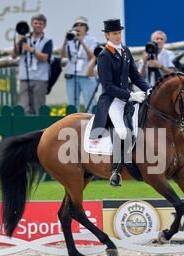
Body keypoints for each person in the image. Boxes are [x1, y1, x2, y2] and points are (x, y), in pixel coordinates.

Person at [89, 18, 150, 187]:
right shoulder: (104, 56)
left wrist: (148, 89)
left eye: (119, 33)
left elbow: (135, 76)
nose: (117, 36)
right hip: (113, 101)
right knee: (123, 133)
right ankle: (116, 171)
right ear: (107, 35)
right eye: (114, 33)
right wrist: (130, 95)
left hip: (128, 97)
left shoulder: (125, 51)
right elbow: (107, 86)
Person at [12, 14, 53, 116]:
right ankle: (26, 130)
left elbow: (45, 58)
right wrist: (18, 41)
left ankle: (39, 130)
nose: (38, 25)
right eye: (35, 23)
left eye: (40, 23)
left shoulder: (47, 40)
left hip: (40, 78)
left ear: (44, 25)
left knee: (38, 107)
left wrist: (31, 50)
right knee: (23, 106)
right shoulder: (24, 38)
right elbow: (14, 55)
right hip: (25, 78)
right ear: (31, 24)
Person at [61, 16, 97, 111]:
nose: (79, 27)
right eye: (76, 25)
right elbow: (63, 55)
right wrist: (65, 40)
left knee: (90, 102)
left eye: (82, 25)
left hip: (86, 74)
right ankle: (74, 124)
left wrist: (82, 42)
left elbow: (92, 57)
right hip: (72, 74)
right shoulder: (71, 39)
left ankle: (91, 124)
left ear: (86, 27)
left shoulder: (92, 40)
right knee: (72, 103)